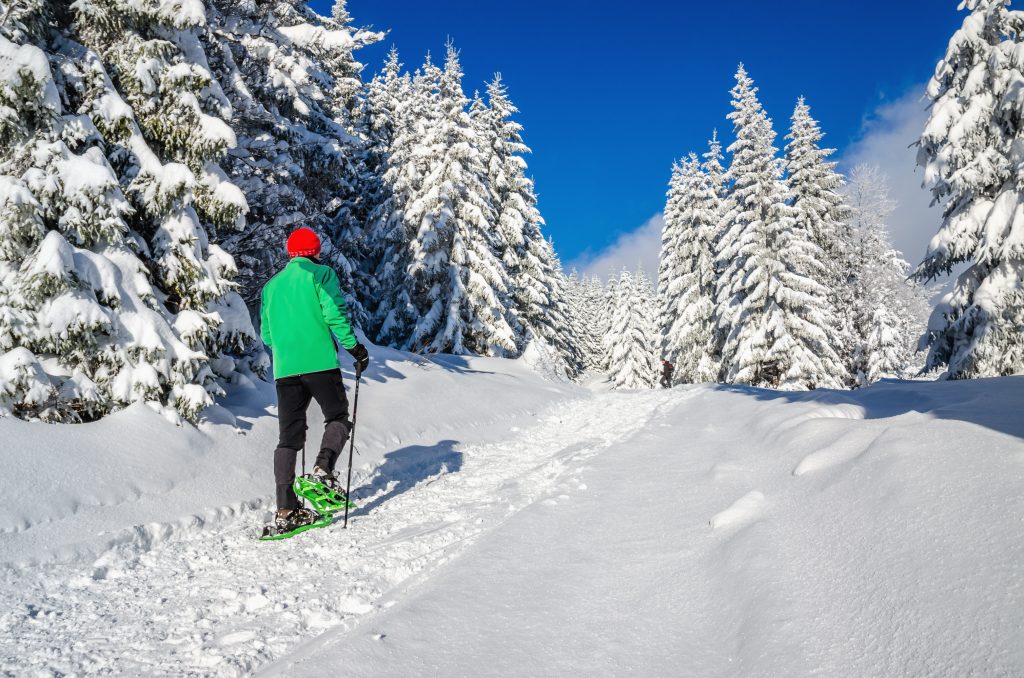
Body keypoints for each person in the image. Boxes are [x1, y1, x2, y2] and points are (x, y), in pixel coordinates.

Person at [259, 227, 370, 534]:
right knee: (337, 416)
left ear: (289, 253)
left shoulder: (272, 286)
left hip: (285, 369)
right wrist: (355, 349)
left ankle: (286, 510)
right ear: (315, 251)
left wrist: (287, 347)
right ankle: (322, 470)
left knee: (289, 437)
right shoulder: (320, 275)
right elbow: (334, 313)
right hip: (319, 362)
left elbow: (266, 334)